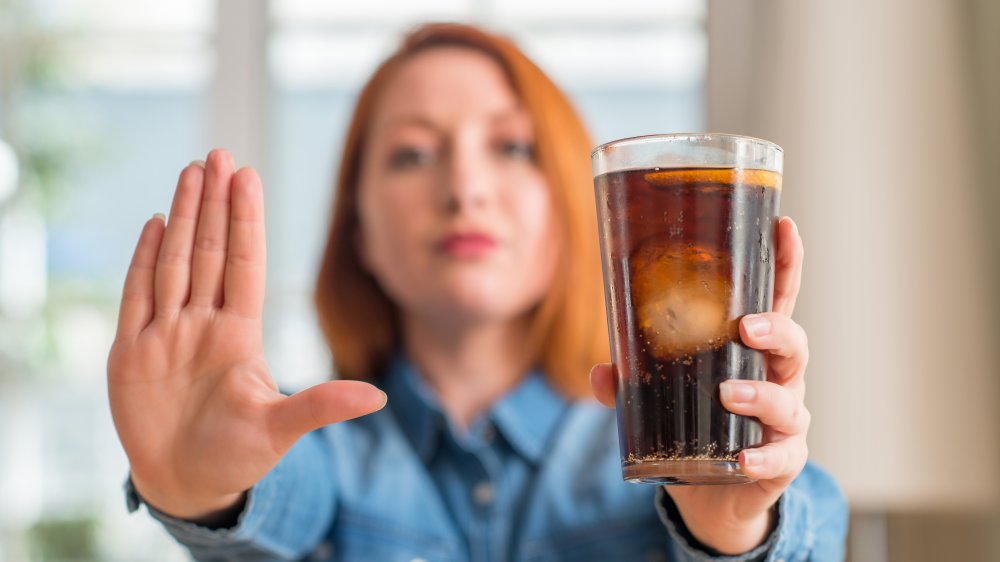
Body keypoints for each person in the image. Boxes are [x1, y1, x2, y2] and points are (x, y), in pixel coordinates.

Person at [107, 23, 847, 561]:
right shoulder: (309, 444)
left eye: (512, 147)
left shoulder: (670, 443)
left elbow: (818, 520)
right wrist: (202, 489)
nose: (465, 188)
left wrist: (734, 531)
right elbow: (280, 501)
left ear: (574, 205)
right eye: (413, 153)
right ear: (357, 225)